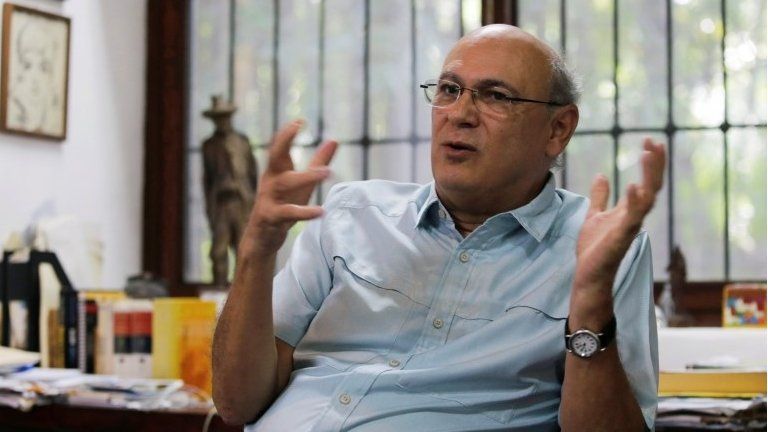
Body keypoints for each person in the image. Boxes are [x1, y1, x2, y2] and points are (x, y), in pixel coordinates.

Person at [212, 24, 665, 431]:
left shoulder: (601, 246)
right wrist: (257, 249)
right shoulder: (351, 213)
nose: (460, 113)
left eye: (495, 96)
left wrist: (588, 301)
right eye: (449, 89)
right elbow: (236, 404)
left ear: (558, 128)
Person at [202, 96, 259, 286]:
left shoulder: (242, 142)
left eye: (225, 117)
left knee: (243, 248)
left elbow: (252, 174)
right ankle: (219, 286)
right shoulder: (209, 146)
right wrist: (209, 208)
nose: (222, 121)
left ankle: (243, 290)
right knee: (218, 249)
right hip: (221, 203)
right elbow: (207, 180)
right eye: (218, 118)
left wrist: (253, 203)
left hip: (242, 201)